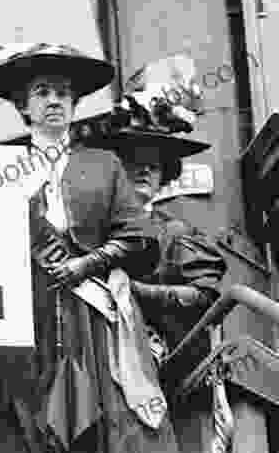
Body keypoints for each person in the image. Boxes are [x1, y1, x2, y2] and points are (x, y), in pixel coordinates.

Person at [0, 43, 179, 453]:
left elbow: (139, 237)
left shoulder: (102, 164)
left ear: (75, 104)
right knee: (25, 414)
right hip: (24, 312)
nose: (54, 101)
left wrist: (87, 263)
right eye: (43, 93)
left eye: (63, 94)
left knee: (105, 415)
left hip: (92, 311)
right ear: (23, 106)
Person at [91, 74, 227, 369]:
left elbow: (204, 295)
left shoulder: (175, 233)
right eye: (135, 159)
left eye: (154, 163)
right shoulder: (88, 231)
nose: (145, 170)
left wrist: (137, 292)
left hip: (157, 367)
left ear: (164, 173)